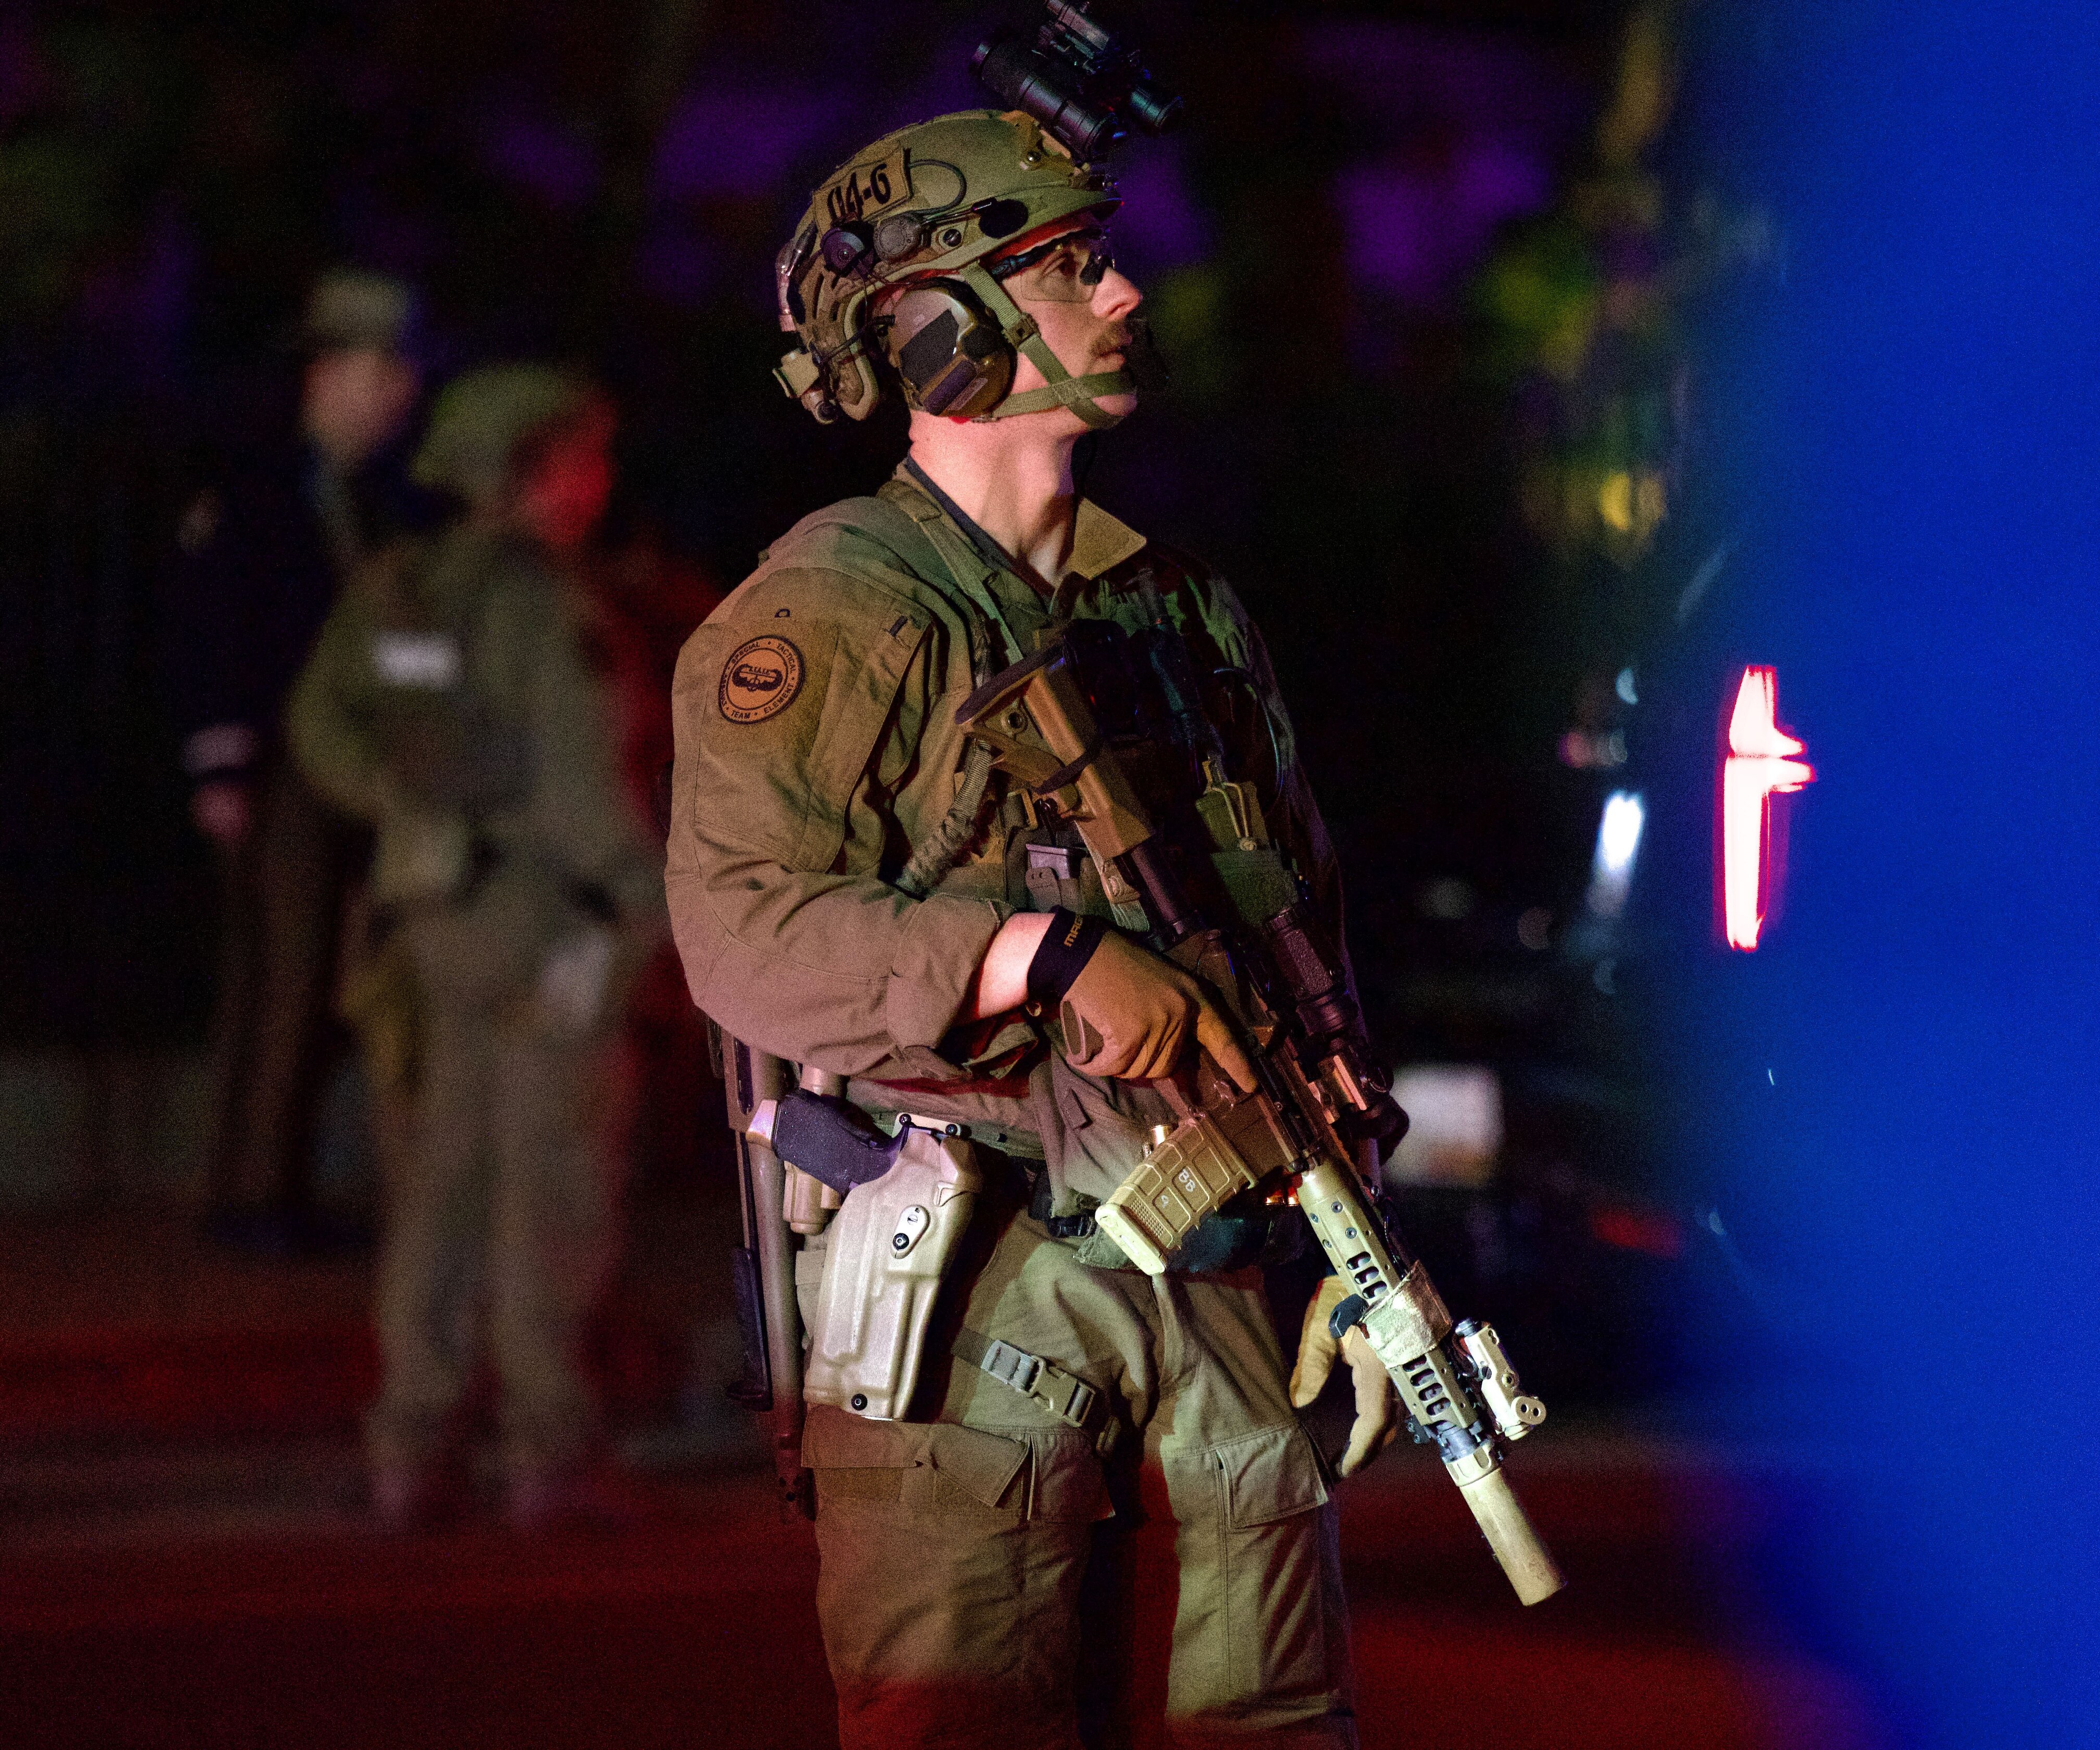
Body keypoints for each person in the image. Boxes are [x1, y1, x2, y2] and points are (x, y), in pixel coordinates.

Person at [668, 109, 1401, 1749]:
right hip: (965, 1279)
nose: (1126, 292)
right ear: (946, 329)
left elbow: (1291, 916)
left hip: (1212, 1253)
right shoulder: (837, 613)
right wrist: (1033, 957)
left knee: (1276, 1715)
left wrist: (1350, 1203)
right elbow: (743, 930)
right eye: (1069, 268)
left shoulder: (1173, 607)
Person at [287, 365, 666, 1528]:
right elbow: (582, 784)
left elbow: (322, 727)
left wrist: (414, 811)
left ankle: (411, 1443)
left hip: (430, 925)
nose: (597, 480)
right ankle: (548, 1452)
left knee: (438, 1194)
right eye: (584, 456)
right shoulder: (549, 606)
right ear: (540, 469)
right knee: (549, 1190)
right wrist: (650, 905)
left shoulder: (401, 593)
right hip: (553, 927)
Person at [169, 268, 432, 1252]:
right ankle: (251, 1197)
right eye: (380, 368)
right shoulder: (261, 490)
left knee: (329, 978)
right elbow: (213, 630)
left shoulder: (379, 501)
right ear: (327, 374)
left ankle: (275, 1190)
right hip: (284, 765)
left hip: (355, 768)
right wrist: (221, 762)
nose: (397, 390)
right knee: (281, 977)